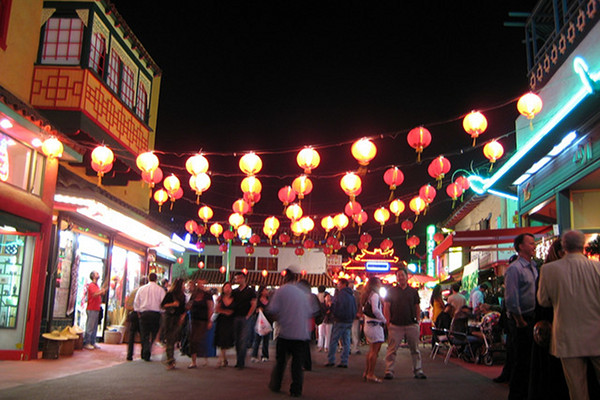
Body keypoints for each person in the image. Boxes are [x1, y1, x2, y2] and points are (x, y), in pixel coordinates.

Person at [537, 230, 600, 400]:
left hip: (566, 336)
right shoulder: (597, 268)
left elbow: (543, 301)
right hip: (597, 334)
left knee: (577, 390)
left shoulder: (549, 270)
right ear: (583, 245)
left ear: (563, 246)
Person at [528, 237, 569, 399]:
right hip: (554, 326)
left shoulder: (546, 270)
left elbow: (542, 302)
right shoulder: (551, 271)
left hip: (551, 325)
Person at [267, 269, 319, 397]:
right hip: (302, 334)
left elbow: (272, 310)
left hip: (286, 332)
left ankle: (276, 384)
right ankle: (296, 389)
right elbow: (311, 311)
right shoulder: (303, 293)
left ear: (283, 279)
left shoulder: (281, 291)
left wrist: (281, 317)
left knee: (281, 362)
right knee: (297, 364)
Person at [504, 233, 538, 399]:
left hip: (532, 316)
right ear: (520, 247)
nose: (534, 246)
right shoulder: (514, 269)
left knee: (530, 360)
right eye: (530, 243)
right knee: (521, 359)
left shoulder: (533, 267)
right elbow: (511, 297)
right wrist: (520, 320)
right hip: (521, 319)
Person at [383, 267, 426, 380]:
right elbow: (386, 307)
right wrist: (388, 322)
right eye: (398, 275)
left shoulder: (413, 292)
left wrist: (417, 320)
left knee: (415, 349)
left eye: (402, 275)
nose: (400, 277)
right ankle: (389, 370)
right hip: (395, 325)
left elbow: (417, 307)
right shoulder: (391, 291)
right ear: (396, 277)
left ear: (407, 277)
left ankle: (418, 370)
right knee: (392, 350)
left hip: (411, 324)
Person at [325, 278, 357, 368]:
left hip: (340, 320)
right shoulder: (352, 295)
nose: (337, 285)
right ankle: (344, 361)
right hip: (349, 320)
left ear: (343, 284)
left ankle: (331, 359)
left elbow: (335, 306)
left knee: (334, 340)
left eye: (339, 284)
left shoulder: (339, 295)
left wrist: (332, 311)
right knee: (346, 341)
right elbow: (355, 307)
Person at [134, 272, 166, 361]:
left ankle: (145, 350)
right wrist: (162, 313)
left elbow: (136, 302)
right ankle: (148, 348)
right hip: (156, 314)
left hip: (144, 313)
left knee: (144, 334)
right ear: (156, 279)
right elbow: (163, 303)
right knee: (154, 333)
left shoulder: (141, 289)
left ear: (148, 278)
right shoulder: (160, 290)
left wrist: (138, 313)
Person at [361, 277, 386, 383]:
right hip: (375, 325)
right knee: (375, 351)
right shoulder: (375, 295)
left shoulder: (367, 295)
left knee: (371, 350)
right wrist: (384, 319)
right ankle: (370, 373)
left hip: (368, 324)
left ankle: (367, 372)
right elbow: (375, 310)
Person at [231, 271, 257, 369]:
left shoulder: (250, 291)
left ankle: (241, 362)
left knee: (243, 339)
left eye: (240, 278)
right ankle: (239, 360)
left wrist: (248, 315)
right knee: (237, 340)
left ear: (244, 278)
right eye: (236, 278)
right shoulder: (235, 291)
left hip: (246, 318)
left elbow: (253, 304)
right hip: (236, 317)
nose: (238, 280)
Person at [186, 279, 214, 368]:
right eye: (200, 284)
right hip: (193, 319)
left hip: (203, 320)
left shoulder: (207, 295)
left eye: (203, 284)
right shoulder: (194, 295)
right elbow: (189, 305)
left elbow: (211, 308)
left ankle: (203, 357)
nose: (201, 285)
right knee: (192, 339)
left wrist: (209, 320)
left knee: (198, 339)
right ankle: (193, 361)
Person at [160, 278, 186, 370]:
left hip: (177, 318)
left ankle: (170, 358)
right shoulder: (170, 294)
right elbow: (162, 305)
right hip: (169, 318)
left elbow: (183, 309)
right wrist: (173, 304)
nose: (184, 287)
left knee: (173, 339)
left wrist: (182, 317)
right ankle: (170, 360)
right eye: (183, 285)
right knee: (170, 339)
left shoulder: (183, 296)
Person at [82, 270, 107, 350]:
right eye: (96, 273)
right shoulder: (92, 285)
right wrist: (101, 292)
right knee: (90, 326)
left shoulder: (96, 285)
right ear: (93, 276)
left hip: (96, 308)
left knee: (95, 326)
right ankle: (87, 342)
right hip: (92, 308)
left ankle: (93, 342)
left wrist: (102, 291)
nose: (98, 274)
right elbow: (94, 294)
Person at [125, 276, 147, 360]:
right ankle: (144, 354)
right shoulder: (145, 292)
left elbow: (128, 305)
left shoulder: (134, 291)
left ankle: (129, 355)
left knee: (132, 335)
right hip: (142, 314)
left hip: (133, 314)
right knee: (143, 335)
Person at [214, 281, 235, 368]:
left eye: (229, 287)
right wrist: (224, 312)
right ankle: (222, 358)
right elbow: (216, 309)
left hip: (231, 321)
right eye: (226, 287)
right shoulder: (220, 298)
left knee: (228, 339)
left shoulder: (235, 299)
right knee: (222, 339)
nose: (227, 289)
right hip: (222, 320)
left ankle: (224, 358)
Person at [251, 286, 270, 363]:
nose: (266, 291)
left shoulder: (269, 300)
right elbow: (254, 310)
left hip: (267, 321)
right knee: (257, 338)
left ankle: (265, 355)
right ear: (261, 291)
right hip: (259, 321)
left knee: (266, 339)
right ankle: (254, 355)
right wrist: (257, 310)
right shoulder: (257, 301)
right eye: (265, 290)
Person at [349, 280, 362, 355]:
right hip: (348, 315)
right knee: (348, 332)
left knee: (355, 332)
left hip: (355, 315)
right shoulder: (345, 293)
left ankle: (355, 347)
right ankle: (348, 347)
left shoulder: (357, 294)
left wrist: (359, 312)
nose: (352, 285)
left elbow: (360, 304)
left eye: (352, 284)